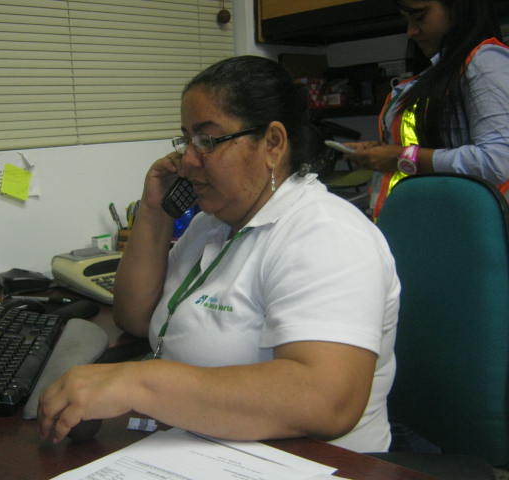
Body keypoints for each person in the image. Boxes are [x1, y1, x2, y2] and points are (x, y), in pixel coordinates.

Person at [38, 56, 401, 453]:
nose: (188, 160)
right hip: (210, 446)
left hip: (315, 463)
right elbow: (136, 318)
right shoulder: (211, 224)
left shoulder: (327, 234)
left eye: (207, 141)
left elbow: (328, 403)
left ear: (273, 143)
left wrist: (137, 384)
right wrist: (155, 211)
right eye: (186, 141)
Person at [346, 0, 509, 218]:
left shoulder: (485, 62)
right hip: (433, 218)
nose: (411, 31)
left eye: (419, 16)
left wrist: (400, 157)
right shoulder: (438, 73)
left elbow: (497, 161)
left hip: (474, 224)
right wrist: (381, 152)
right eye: (407, 20)